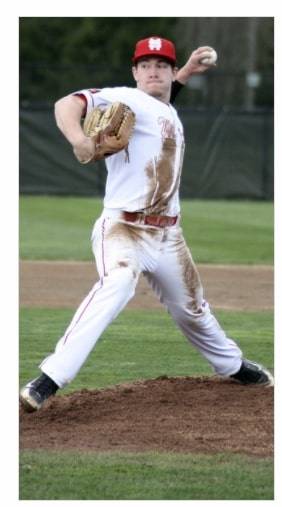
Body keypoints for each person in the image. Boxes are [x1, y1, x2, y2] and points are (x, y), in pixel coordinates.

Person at [20, 36, 273, 412]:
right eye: (145, 65)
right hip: (124, 229)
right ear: (134, 73)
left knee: (192, 308)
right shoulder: (125, 98)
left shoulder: (166, 110)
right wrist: (78, 139)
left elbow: (163, 105)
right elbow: (66, 104)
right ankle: (49, 379)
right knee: (118, 283)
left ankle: (232, 365)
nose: (153, 69)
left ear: (171, 72)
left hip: (169, 235)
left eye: (162, 65)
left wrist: (185, 73)